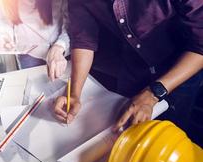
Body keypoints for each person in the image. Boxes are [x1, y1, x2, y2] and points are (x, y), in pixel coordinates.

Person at [53, 0, 203, 143]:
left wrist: (152, 93)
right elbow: (84, 40)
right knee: (126, 135)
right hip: (133, 68)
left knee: (169, 135)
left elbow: (200, 46)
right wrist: (74, 93)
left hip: (180, 69)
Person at [0, 0, 69, 80]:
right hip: (28, 54)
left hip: (59, 51)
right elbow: (3, 19)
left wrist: (60, 46)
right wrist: (5, 35)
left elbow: (73, 24)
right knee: (31, 87)